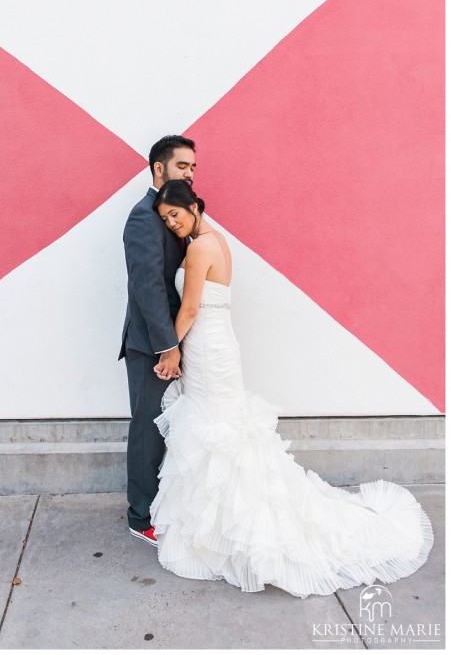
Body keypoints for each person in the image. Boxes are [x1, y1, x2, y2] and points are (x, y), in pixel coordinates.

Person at [149, 179, 434, 596]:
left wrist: (169, 351)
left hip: (208, 348)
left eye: (175, 213)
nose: (172, 223)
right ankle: (225, 525)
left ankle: (231, 532)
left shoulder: (197, 248)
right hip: (218, 344)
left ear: (193, 204)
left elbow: (190, 306)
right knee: (224, 429)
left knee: (216, 431)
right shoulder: (220, 241)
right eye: (165, 219)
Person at [119, 136, 196, 546]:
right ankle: (139, 516)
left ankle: (161, 505)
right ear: (158, 168)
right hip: (152, 345)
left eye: (193, 168)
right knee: (148, 430)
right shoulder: (143, 218)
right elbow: (148, 287)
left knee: (166, 428)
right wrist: (168, 346)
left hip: (171, 343)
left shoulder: (172, 215)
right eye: (182, 166)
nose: (189, 173)